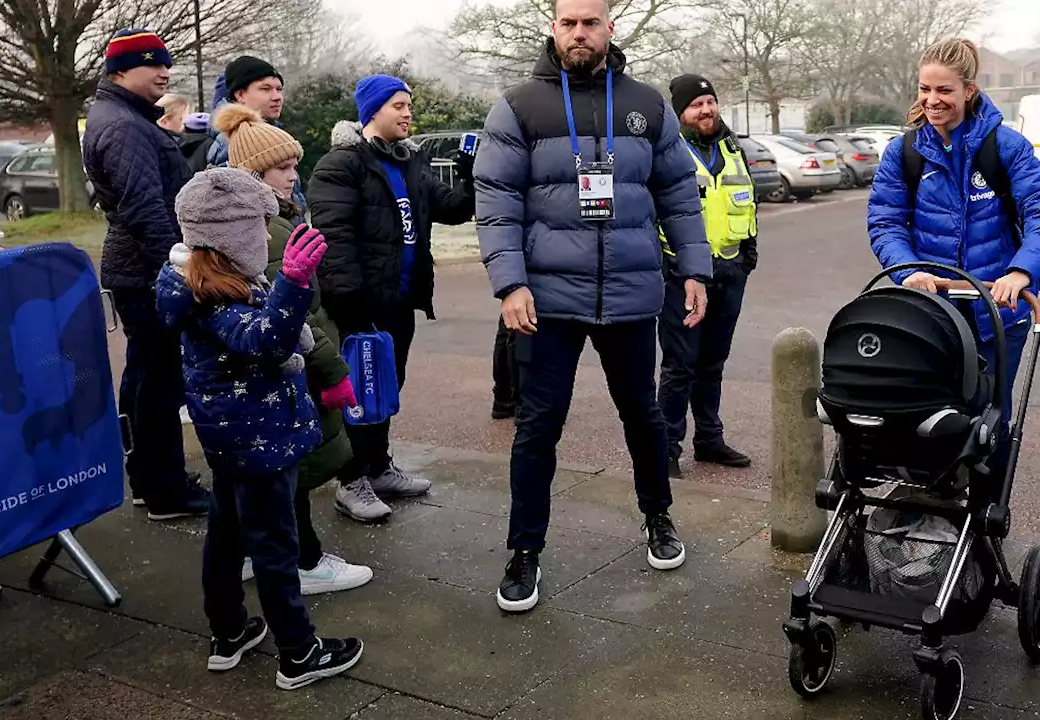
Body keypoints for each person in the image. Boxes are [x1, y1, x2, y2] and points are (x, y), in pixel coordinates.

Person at [474, 0, 712, 613]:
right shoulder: (519, 105)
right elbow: (497, 199)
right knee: (538, 425)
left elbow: (679, 194)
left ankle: (658, 517)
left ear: (610, 28)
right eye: (568, 23)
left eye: (591, 22)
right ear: (553, 28)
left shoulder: (648, 103)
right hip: (547, 300)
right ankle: (524, 551)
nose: (579, 34)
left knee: (643, 414)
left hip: (631, 294)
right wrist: (510, 283)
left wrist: (694, 269)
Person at [156, 167, 364, 690]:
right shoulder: (213, 294)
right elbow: (267, 342)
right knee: (275, 548)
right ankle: (298, 652)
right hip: (258, 437)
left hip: (237, 437)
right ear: (229, 234)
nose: (261, 237)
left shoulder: (208, 280)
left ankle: (229, 632)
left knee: (226, 537)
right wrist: (293, 283)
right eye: (254, 227)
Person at [866, 38, 1040, 499]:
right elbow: (886, 221)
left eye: (945, 91)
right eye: (924, 89)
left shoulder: (1006, 148)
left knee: (990, 418)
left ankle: (984, 516)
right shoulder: (906, 152)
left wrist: (1020, 273)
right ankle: (932, 508)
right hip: (932, 313)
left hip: (997, 312)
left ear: (969, 90)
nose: (932, 100)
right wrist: (906, 270)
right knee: (928, 412)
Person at [213, 103, 375, 595]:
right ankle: (303, 560)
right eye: (283, 169)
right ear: (254, 174)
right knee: (297, 468)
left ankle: (253, 551)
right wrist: (331, 370)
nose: (293, 176)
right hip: (294, 367)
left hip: (271, 371)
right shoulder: (272, 229)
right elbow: (297, 314)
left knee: (261, 476)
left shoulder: (261, 219)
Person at [308, 75, 476, 523]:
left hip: (400, 303)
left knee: (386, 387)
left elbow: (455, 208)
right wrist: (348, 301)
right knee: (357, 393)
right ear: (372, 111)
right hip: (361, 306)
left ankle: (378, 468)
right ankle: (351, 480)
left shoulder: (411, 163)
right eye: (398, 105)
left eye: (409, 105)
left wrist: (467, 169)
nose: (408, 113)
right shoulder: (341, 165)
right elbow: (333, 236)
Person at [82, 28, 209, 520]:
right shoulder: (124, 125)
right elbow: (145, 211)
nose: (164, 71)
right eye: (151, 63)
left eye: (166, 63)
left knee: (144, 378)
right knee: (159, 383)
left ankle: (149, 478)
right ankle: (164, 491)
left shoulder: (124, 117)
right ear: (119, 71)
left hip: (137, 269)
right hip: (147, 271)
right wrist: (181, 272)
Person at [657, 74, 757, 480]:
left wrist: (748, 256)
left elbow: (749, 205)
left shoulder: (733, 150)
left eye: (711, 101)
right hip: (682, 277)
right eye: (696, 104)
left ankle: (709, 440)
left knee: (713, 363)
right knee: (680, 365)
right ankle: (666, 449)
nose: (707, 109)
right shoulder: (668, 152)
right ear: (681, 112)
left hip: (730, 272)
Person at [207, 56, 306, 224]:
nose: (277, 97)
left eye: (279, 89)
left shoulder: (268, 132)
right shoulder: (235, 140)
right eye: (265, 89)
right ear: (240, 94)